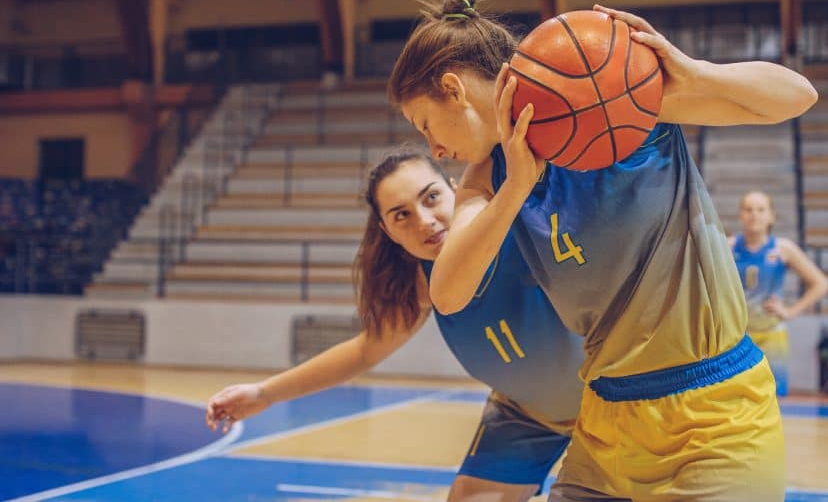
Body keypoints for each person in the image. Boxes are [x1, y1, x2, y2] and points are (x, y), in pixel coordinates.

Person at [388, 0, 819, 502]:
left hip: (713, 416)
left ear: (454, 90)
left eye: (426, 124)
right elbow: (449, 292)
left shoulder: (610, 98)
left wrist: (691, 72)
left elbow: (798, 96)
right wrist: (518, 185)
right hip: (605, 421)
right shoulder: (488, 177)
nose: (433, 147)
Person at [206, 148, 585, 502]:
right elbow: (364, 351)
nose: (425, 220)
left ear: (456, 189)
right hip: (526, 416)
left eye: (431, 197)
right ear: (388, 230)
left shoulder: (520, 230)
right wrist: (264, 393)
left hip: (611, 396)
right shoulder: (422, 285)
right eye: (401, 214)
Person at [729, 190, 828, 396]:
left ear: (771, 216)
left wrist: (790, 312)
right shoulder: (727, 246)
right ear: (740, 215)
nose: (754, 215)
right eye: (748, 209)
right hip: (737, 337)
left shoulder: (783, 249)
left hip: (772, 336)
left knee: (771, 397)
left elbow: (820, 283)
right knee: (735, 397)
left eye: (760, 209)